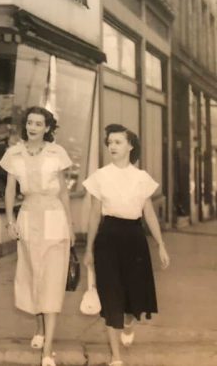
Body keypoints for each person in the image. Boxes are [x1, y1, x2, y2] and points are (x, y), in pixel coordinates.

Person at [83, 124, 170, 366]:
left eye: (118, 142)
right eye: (109, 142)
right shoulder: (100, 176)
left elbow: (149, 213)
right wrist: (89, 249)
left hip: (134, 238)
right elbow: (93, 215)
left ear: (131, 146)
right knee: (111, 297)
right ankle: (116, 358)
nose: (112, 146)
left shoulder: (141, 178)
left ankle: (129, 323)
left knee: (132, 298)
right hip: (108, 238)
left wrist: (161, 244)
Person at [0, 106, 75, 366]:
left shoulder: (57, 153)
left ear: (47, 128)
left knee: (52, 280)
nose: (33, 127)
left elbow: (64, 192)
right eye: (30, 122)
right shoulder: (14, 154)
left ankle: (47, 351)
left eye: (39, 124)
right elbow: (10, 191)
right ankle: (39, 328)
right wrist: (10, 220)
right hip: (28, 216)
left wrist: (71, 225)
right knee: (33, 275)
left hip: (54, 217)